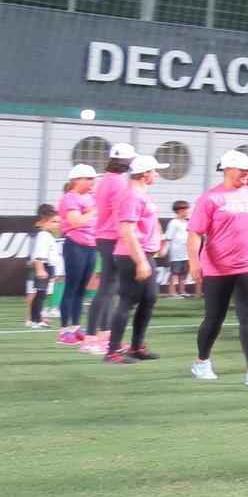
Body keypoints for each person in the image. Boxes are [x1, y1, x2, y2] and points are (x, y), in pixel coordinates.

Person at [187, 151, 248, 386]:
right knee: (214, 318)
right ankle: (202, 361)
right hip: (217, 268)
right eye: (242, 170)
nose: (247, 174)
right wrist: (194, 262)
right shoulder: (211, 198)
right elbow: (195, 233)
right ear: (227, 169)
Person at [104, 154, 170, 364]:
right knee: (127, 301)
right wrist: (141, 260)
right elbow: (127, 230)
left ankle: (136, 347)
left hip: (141, 253)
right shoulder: (132, 195)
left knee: (149, 298)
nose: (157, 175)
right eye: (154, 171)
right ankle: (113, 351)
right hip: (132, 254)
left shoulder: (139, 193)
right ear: (145, 174)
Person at [83, 142, 137, 354]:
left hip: (105, 236)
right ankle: (91, 338)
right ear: (124, 161)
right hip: (112, 237)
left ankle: (101, 336)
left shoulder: (107, 179)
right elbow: (119, 214)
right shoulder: (118, 183)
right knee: (107, 289)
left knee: (109, 288)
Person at [56, 165, 98, 344]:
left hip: (91, 245)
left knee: (82, 288)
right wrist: (93, 211)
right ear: (76, 180)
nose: (92, 182)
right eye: (88, 179)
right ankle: (64, 330)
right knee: (72, 287)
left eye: (92, 179)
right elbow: (76, 222)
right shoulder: (69, 198)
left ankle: (75, 326)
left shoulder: (92, 197)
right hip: (75, 245)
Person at [26, 204, 61, 328]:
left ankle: (36, 318)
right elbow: (39, 254)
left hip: (48, 266)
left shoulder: (48, 235)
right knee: (40, 295)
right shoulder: (43, 235)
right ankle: (35, 320)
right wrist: (40, 269)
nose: (57, 224)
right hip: (44, 267)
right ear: (45, 221)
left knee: (41, 294)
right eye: (54, 222)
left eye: (58, 222)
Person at [163, 201, 191, 298]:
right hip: (176, 253)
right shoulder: (173, 222)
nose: (187, 211)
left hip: (186, 253)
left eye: (187, 209)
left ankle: (182, 291)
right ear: (179, 211)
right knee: (174, 273)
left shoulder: (187, 222)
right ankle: (172, 292)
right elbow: (168, 237)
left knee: (183, 273)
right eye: (184, 209)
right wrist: (164, 249)